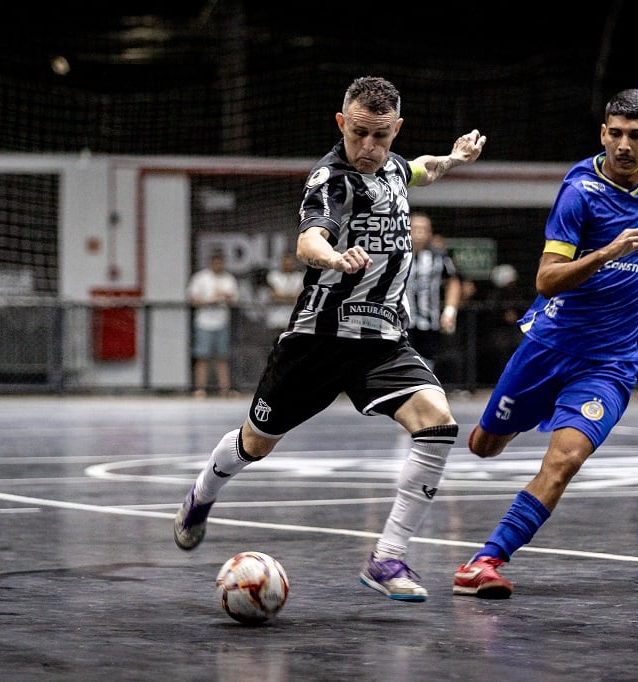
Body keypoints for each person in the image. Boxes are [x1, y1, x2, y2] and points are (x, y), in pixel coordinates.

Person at [172, 76, 486, 603]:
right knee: (255, 443)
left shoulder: (391, 166)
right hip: (317, 343)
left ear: (396, 130)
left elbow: (420, 170)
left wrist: (453, 158)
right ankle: (202, 494)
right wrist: (334, 256)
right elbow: (309, 237)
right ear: (342, 123)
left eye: (381, 137)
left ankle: (386, 559)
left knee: (438, 422)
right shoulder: (332, 181)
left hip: (383, 340)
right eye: (359, 133)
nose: (369, 148)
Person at [451, 88, 638, 599]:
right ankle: (530, 410)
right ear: (603, 133)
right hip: (549, 347)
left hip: (612, 363)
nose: (623, 145)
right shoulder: (579, 191)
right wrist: (608, 252)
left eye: (636, 136)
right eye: (614, 133)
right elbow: (547, 280)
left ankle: (484, 561)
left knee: (565, 461)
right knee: (485, 447)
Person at [404, 211, 462, 375]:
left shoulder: (439, 257)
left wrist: (450, 310)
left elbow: (453, 281)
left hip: (429, 320)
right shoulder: (396, 253)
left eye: (424, 229)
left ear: (430, 232)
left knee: (427, 360)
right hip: (401, 320)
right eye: (415, 228)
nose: (419, 233)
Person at [186, 248, 240, 397]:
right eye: (215, 262)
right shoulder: (200, 278)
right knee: (202, 357)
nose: (218, 265)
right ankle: (200, 389)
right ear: (211, 262)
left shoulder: (229, 279)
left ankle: (224, 389)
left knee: (222, 357)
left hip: (222, 322)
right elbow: (192, 298)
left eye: (221, 262)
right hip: (204, 323)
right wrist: (209, 300)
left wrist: (225, 297)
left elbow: (235, 299)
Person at [264, 251, 304, 340]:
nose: (288, 264)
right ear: (281, 262)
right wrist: (290, 296)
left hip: (292, 318)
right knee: (275, 345)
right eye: (285, 262)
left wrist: (282, 296)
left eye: (290, 262)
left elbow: (298, 298)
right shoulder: (273, 276)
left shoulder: (299, 277)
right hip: (275, 318)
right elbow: (273, 296)